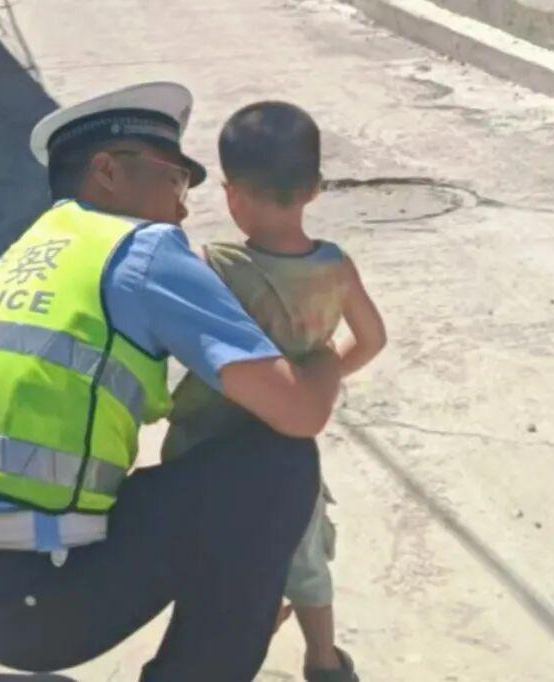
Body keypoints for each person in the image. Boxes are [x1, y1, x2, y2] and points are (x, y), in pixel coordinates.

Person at [0, 82, 343, 682]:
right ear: (106, 171)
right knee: (278, 464)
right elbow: (300, 411)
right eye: (176, 181)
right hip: (29, 612)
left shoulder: (26, 251)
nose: (183, 210)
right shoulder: (143, 249)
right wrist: (325, 359)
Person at [161, 101, 387, 682]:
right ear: (314, 188)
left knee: (211, 554)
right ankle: (324, 660)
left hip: (206, 442)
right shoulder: (335, 268)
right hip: (288, 453)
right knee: (304, 557)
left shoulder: (215, 264)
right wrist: (321, 373)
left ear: (231, 195)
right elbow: (372, 338)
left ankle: (230, 636)